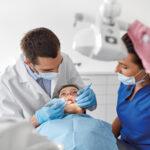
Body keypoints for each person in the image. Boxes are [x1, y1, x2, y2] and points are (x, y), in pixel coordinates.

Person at [0, 27, 97, 127]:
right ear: (28, 63)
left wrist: (89, 100)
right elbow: (9, 131)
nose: (57, 72)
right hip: (36, 139)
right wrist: (37, 119)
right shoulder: (7, 82)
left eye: (59, 64)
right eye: (48, 70)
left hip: (68, 129)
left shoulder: (65, 59)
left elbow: (80, 93)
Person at [36, 84, 118, 150]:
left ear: (85, 99)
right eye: (63, 94)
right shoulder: (46, 124)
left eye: (74, 92)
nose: (69, 94)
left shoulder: (101, 125)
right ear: (56, 102)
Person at [112, 33, 150, 150]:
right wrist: (106, 139)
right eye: (117, 62)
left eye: (124, 66)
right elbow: (123, 117)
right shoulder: (128, 83)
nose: (116, 70)